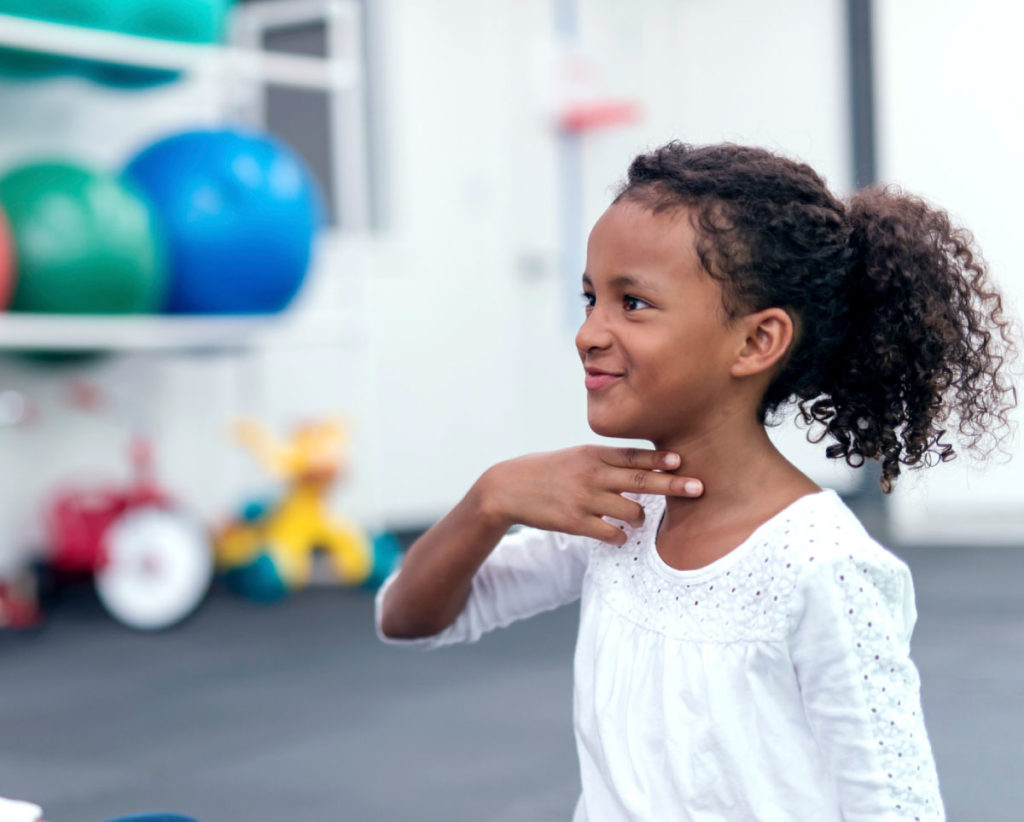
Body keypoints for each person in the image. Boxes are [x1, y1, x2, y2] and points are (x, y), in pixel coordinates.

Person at [375, 142, 1016, 821]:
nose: (588, 333)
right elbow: (408, 617)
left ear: (755, 342)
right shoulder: (621, 510)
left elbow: (896, 810)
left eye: (635, 303)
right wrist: (489, 499)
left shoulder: (824, 568)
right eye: (591, 298)